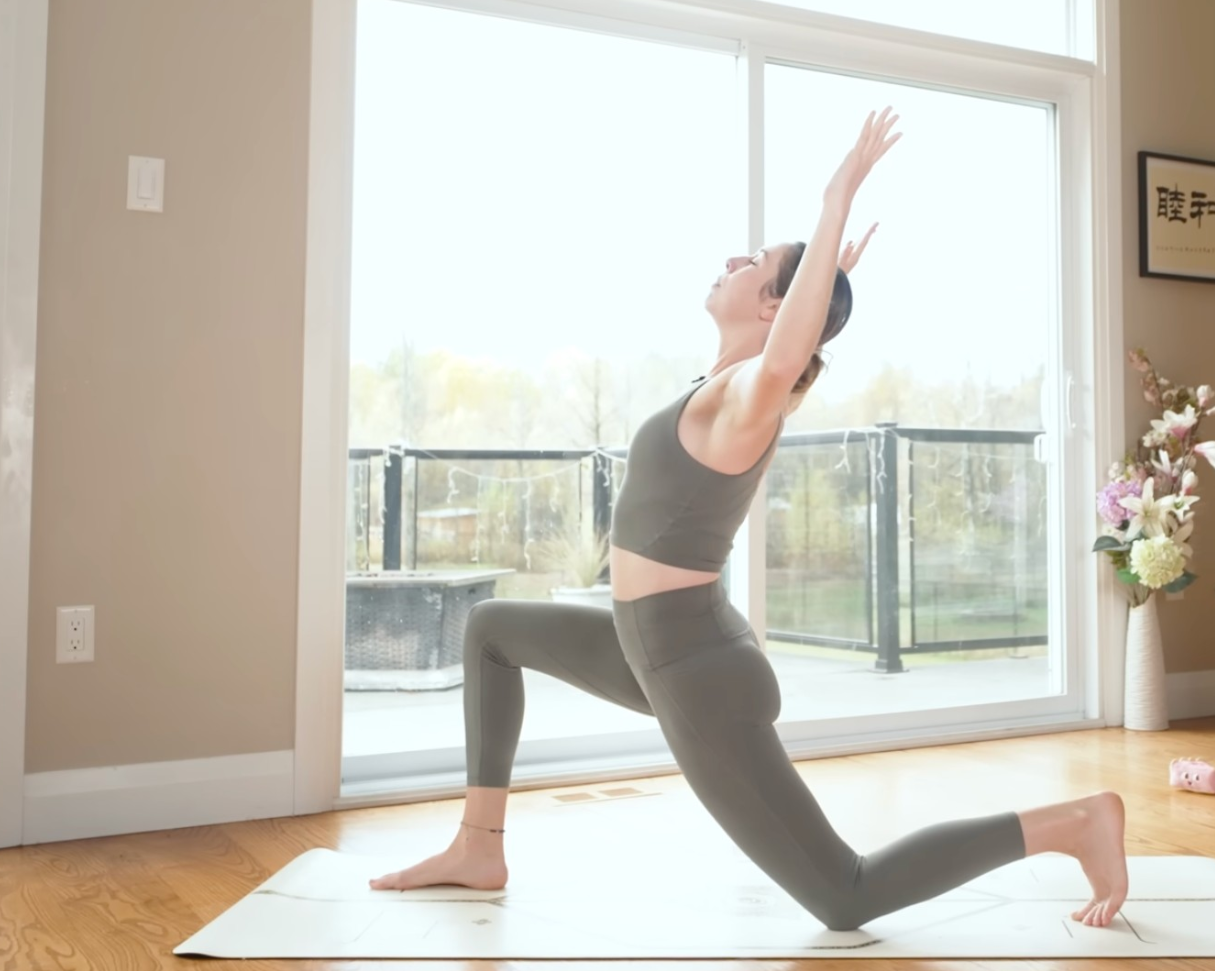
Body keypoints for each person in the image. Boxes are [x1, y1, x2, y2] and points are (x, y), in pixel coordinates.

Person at [367, 108, 1128, 931]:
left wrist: (835, 198)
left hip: (694, 673)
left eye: (754, 263)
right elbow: (788, 346)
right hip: (651, 644)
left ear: (773, 310)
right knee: (490, 629)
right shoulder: (723, 385)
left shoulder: (746, 399)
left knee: (846, 894)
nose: (732, 262)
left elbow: (787, 355)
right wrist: (821, 274)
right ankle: (479, 846)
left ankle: (1074, 823)